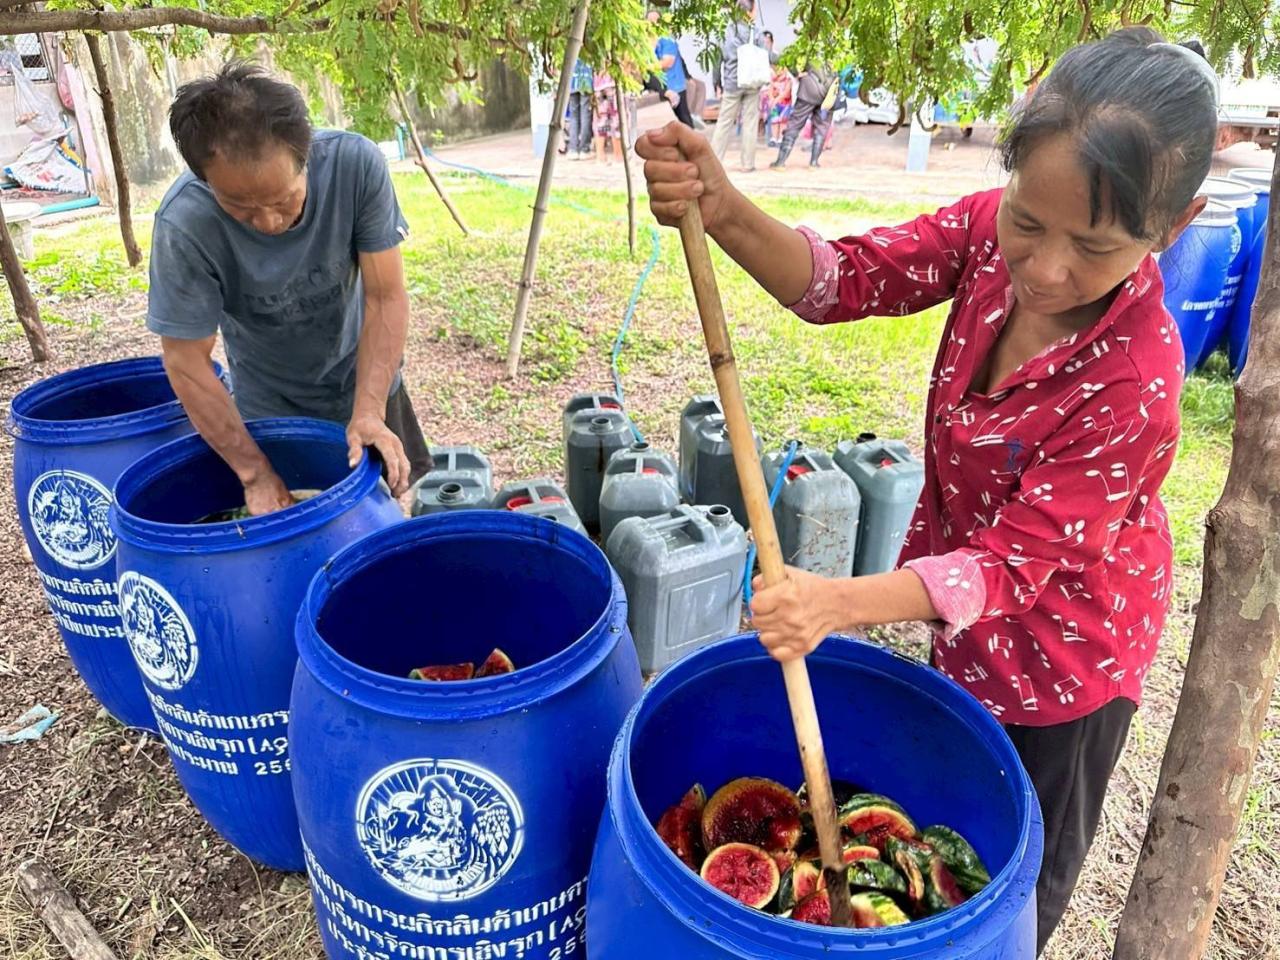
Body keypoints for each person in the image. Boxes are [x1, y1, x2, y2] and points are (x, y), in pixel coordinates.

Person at [637, 28, 1218, 955]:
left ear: (1171, 229)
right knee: (928, 839)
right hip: (963, 631)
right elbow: (841, 281)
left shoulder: (1137, 378)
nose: (1046, 267)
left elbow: (1008, 568)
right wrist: (723, 204)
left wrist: (833, 603)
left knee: (1013, 886)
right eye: (1029, 221)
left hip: (1064, 668)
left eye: (1095, 247)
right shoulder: (987, 236)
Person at [147, 62, 430, 516]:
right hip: (271, 408)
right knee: (298, 533)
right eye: (239, 206)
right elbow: (185, 360)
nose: (269, 222)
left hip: (367, 379)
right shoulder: (185, 224)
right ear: (205, 181)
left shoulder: (354, 167)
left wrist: (371, 410)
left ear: (307, 156)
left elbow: (384, 296)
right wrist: (254, 472)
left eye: (283, 200)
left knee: (389, 513)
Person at [709, 0, 766, 172]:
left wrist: (716, 82)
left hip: (732, 83)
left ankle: (714, 163)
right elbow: (765, 55)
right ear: (749, 12)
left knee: (724, 122)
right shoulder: (756, 32)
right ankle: (748, 164)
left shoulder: (725, 32)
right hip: (752, 83)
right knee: (750, 122)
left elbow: (716, 60)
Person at [771, 60, 835, 169]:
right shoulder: (840, 47)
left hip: (809, 87)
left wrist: (796, 73)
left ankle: (780, 162)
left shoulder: (810, 44)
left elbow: (787, 58)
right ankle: (814, 163)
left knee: (795, 123)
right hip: (830, 88)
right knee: (822, 126)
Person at [649, 10, 695, 128]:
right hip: (663, 85)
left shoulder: (667, 39)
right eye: (650, 21)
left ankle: (693, 142)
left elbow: (668, 62)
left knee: (684, 118)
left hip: (675, 84)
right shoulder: (651, 41)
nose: (653, 24)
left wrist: (647, 66)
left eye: (656, 21)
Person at [567, 58, 595, 161]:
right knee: (585, 115)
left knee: (573, 116)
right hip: (585, 80)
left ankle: (573, 149)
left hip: (572, 80)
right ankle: (584, 149)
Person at [592, 69, 622, 164]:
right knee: (615, 118)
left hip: (598, 84)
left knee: (601, 119)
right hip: (612, 83)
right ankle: (618, 155)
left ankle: (600, 156)